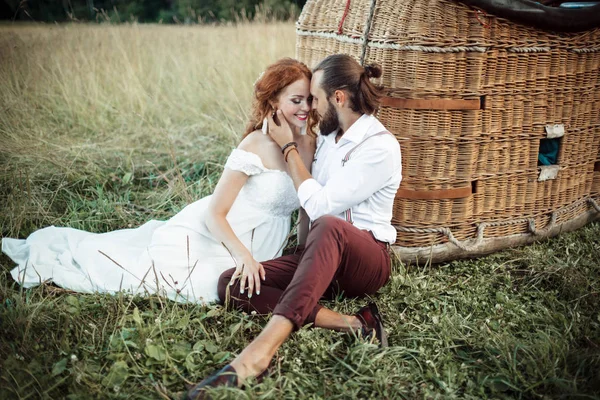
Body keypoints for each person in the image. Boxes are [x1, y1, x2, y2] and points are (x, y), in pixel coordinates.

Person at [2, 58, 316, 304]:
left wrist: (303, 252)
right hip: (221, 234)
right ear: (274, 102)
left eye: (309, 100)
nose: (305, 109)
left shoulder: (311, 144)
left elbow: (305, 205)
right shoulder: (254, 146)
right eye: (296, 100)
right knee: (180, 281)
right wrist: (244, 256)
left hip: (266, 243)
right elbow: (215, 213)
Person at [187, 54, 402, 399]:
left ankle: (258, 354)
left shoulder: (378, 147)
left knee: (329, 225)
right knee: (232, 282)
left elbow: (318, 206)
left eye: (314, 98)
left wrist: (288, 147)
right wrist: (299, 258)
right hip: (322, 256)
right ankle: (354, 323)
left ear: (339, 98)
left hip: (366, 261)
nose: (311, 108)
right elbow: (306, 210)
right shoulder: (328, 139)